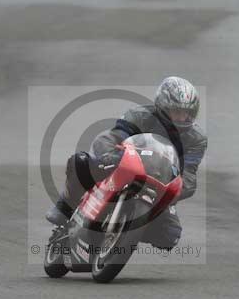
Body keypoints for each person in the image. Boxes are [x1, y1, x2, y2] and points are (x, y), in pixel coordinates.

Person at [46, 76, 208, 251]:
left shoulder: (197, 139)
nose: (183, 118)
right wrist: (109, 155)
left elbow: (189, 173)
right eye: (177, 111)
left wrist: (176, 190)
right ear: (163, 107)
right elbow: (111, 138)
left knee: (170, 235)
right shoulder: (140, 115)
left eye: (187, 113)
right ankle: (64, 206)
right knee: (81, 162)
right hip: (125, 167)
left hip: (159, 185)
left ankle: (126, 234)